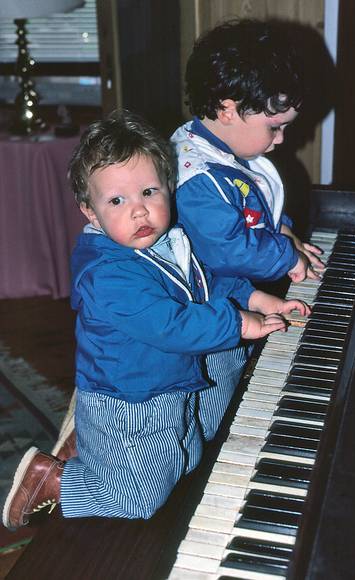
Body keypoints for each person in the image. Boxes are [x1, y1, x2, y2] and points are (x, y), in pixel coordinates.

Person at [2, 110, 310, 528]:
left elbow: (205, 279)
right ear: (90, 212)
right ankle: (54, 478)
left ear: (169, 188)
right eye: (116, 201)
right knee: (140, 497)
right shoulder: (106, 274)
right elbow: (170, 324)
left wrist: (256, 297)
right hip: (131, 395)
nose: (139, 211)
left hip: (169, 377)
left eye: (149, 191)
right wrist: (239, 324)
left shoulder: (170, 238)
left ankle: (94, 447)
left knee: (189, 457)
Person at [171, 18, 325, 440]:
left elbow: (257, 209)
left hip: (230, 291)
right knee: (216, 392)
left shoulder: (228, 149)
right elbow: (228, 250)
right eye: (274, 127)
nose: (280, 140)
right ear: (228, 109)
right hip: (205, 306)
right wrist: (285, 255)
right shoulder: (200, 179)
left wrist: (287, 233)